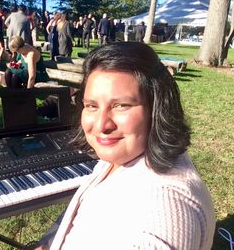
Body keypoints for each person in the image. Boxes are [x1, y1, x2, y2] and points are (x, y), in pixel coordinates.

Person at [32, 42, 216, 249]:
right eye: (91, 106)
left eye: (121, 106)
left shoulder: (162, 209)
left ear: (158, 108)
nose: (101, 125)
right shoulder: (124, 157)